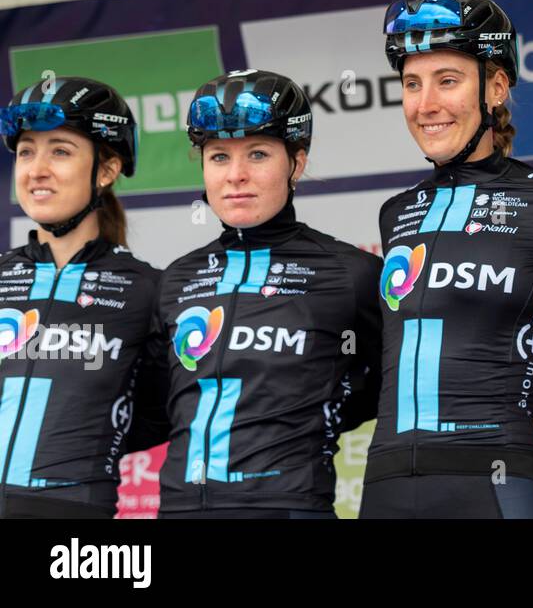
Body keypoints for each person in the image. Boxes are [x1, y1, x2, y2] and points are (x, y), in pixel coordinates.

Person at [358, 0, 533, 519]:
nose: (426, 105)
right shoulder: (396, 212)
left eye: (448, 80)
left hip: (497, 486)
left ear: (496, 87)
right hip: (386, 488)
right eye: (412, 84)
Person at [155, 69, 382, 518]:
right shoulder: (177, 279)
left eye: (257, 154)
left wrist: (319, 415)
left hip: (288, 506)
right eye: (219, 157)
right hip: (180, 511)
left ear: (296, 162)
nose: (236, 175)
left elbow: (401, 379)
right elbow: (157, 401)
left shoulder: (350, 273)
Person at [0, 76, 167, 518]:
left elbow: (162, 409)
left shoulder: (149, 290)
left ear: (108, 169)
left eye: (60, 150)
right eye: (26, 152)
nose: (36, 170)